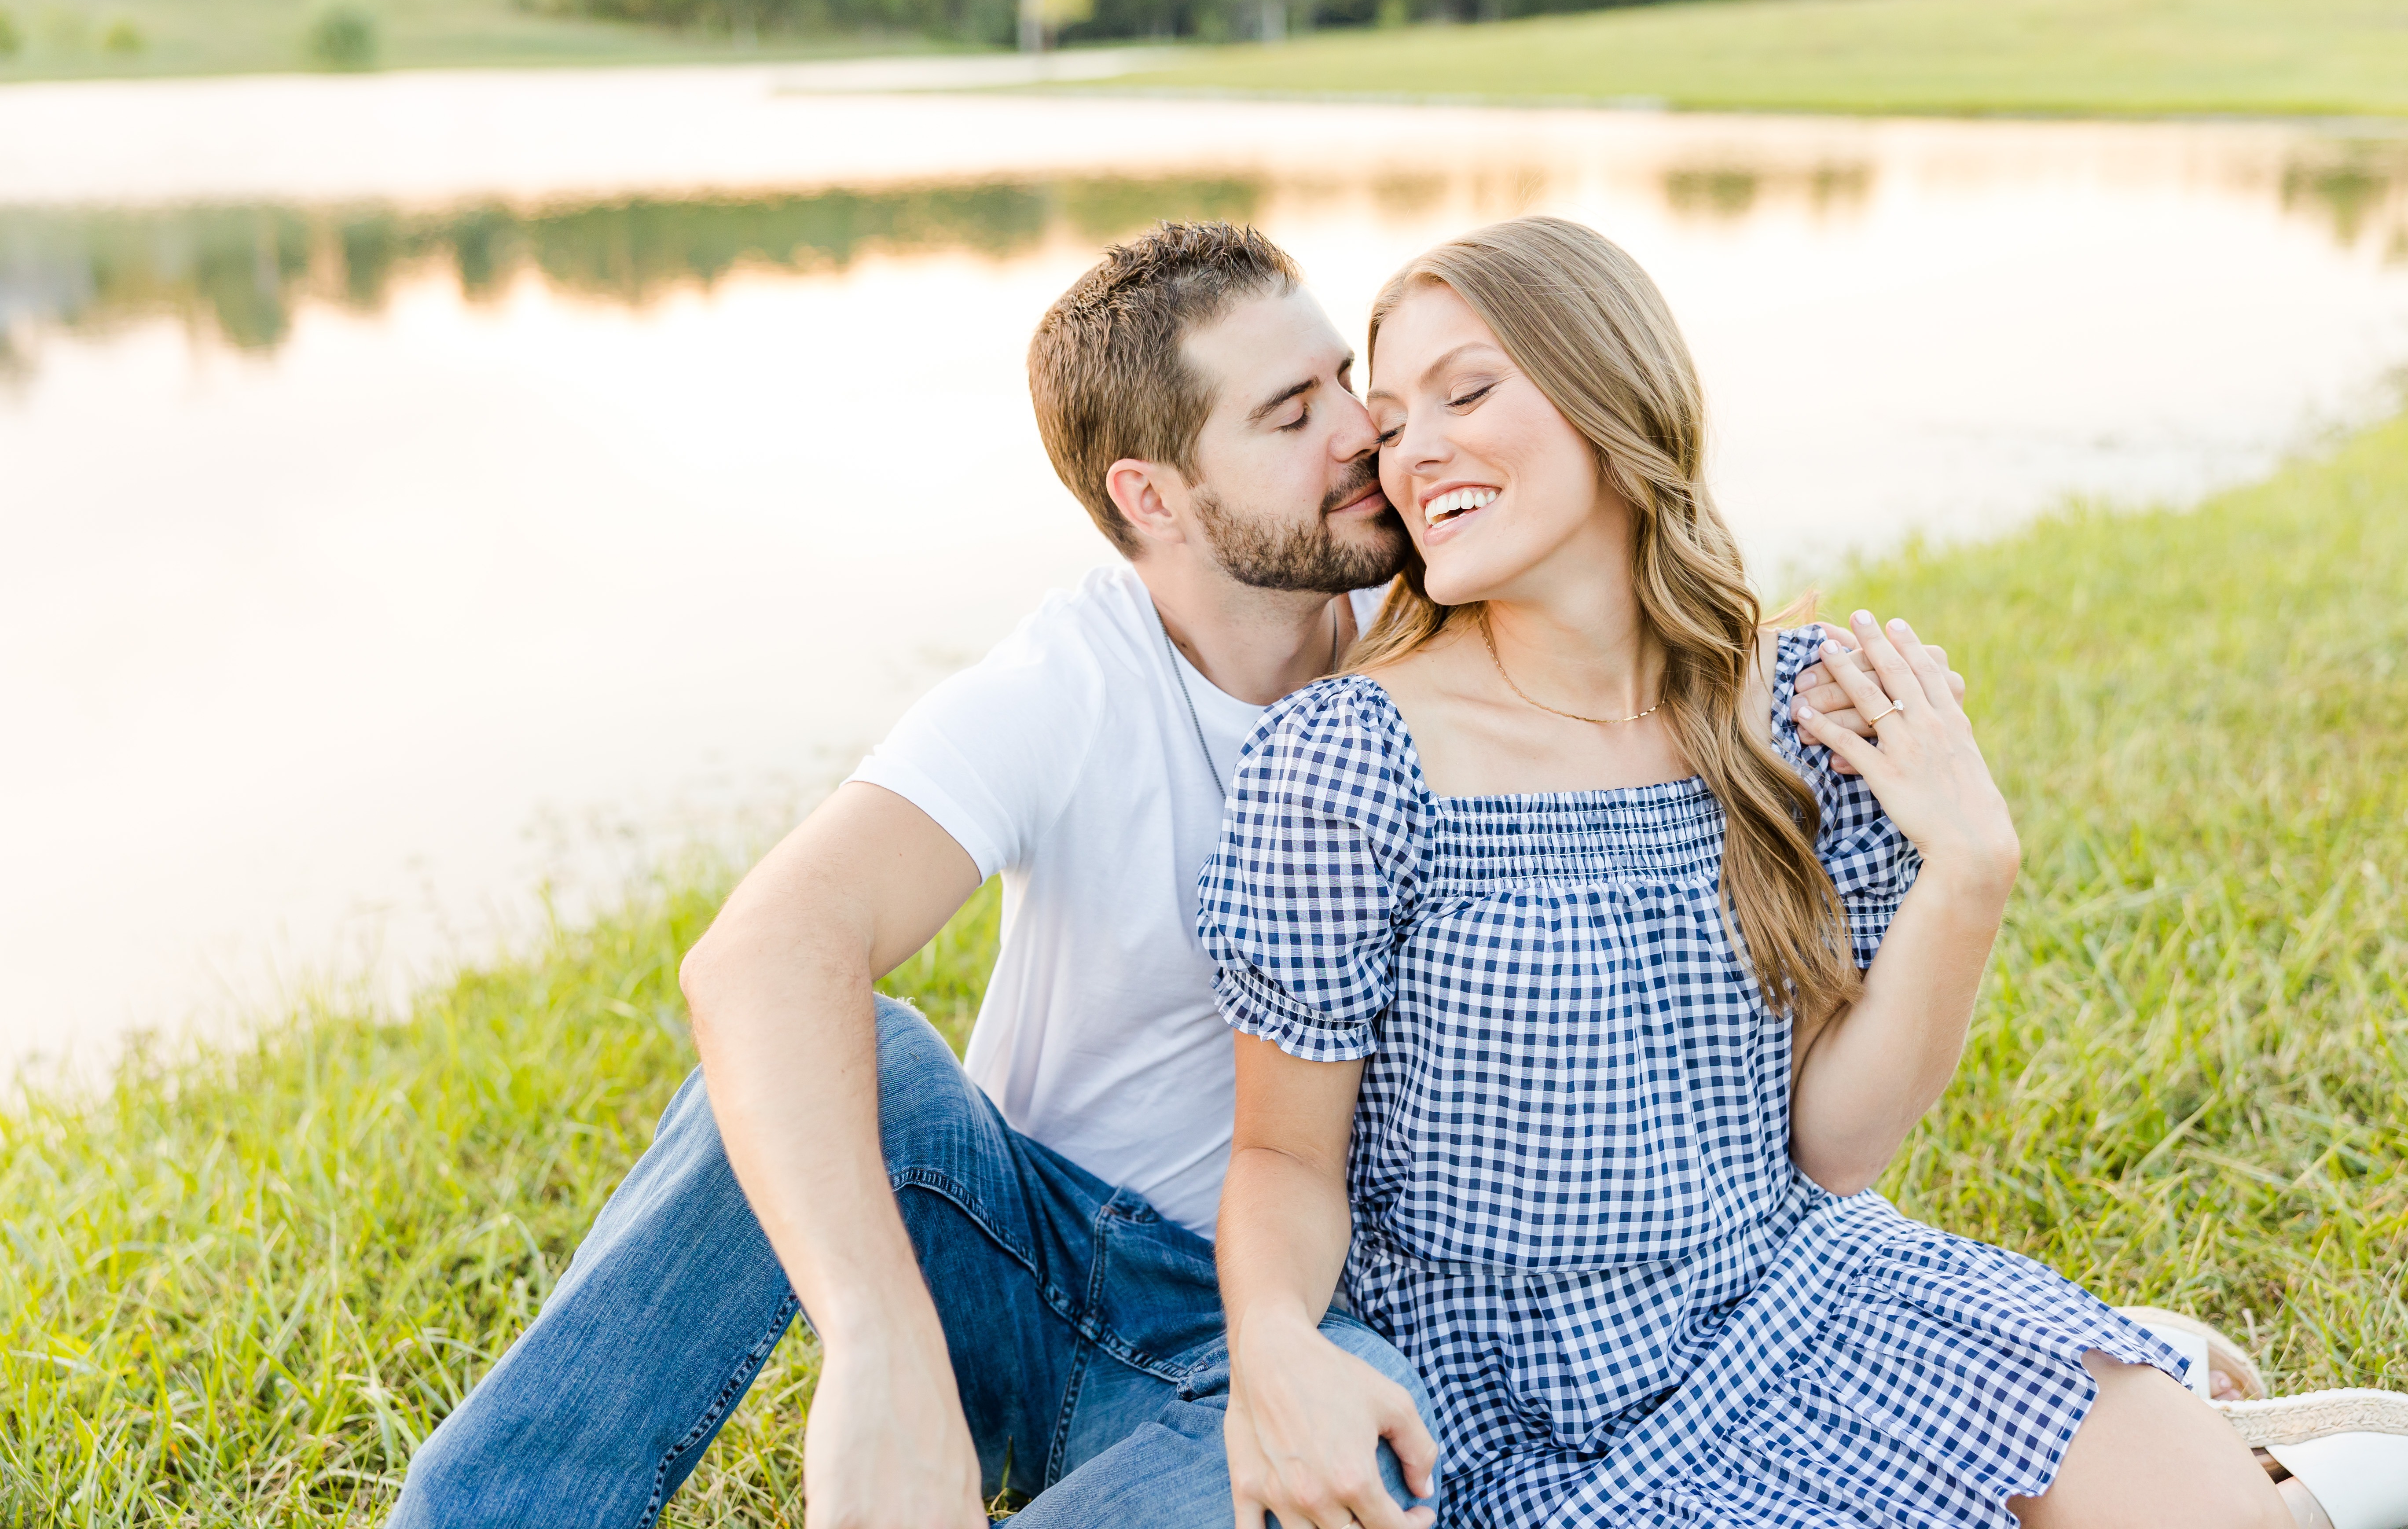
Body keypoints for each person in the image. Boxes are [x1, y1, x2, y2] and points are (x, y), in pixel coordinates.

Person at [389, 221, 1955, 1528]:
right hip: (1026, 1255)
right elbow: (759, 953)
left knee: (1375, 1467)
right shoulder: (1072, 683)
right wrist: (879, 1344)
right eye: (1294, 416)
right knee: (841, 1045)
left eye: (1349, 381)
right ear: (1153, 497)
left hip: (1274, 1326)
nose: (1370, 433)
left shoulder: (1441, 634)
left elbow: (1641, 654)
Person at [1198, 215, 2408, 1529]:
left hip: (1800, 1297)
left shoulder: (1804, 709)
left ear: (1616, 388)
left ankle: (2256, 1464)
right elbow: (1282, 1153)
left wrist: (1971, 868)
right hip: (1522, 1400)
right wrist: (1271, 1343)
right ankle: (2194, 1411)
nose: (1413, 450)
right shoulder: (1349, 761)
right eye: (1389, 419)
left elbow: (1833, 1149)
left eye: (1468, 390)